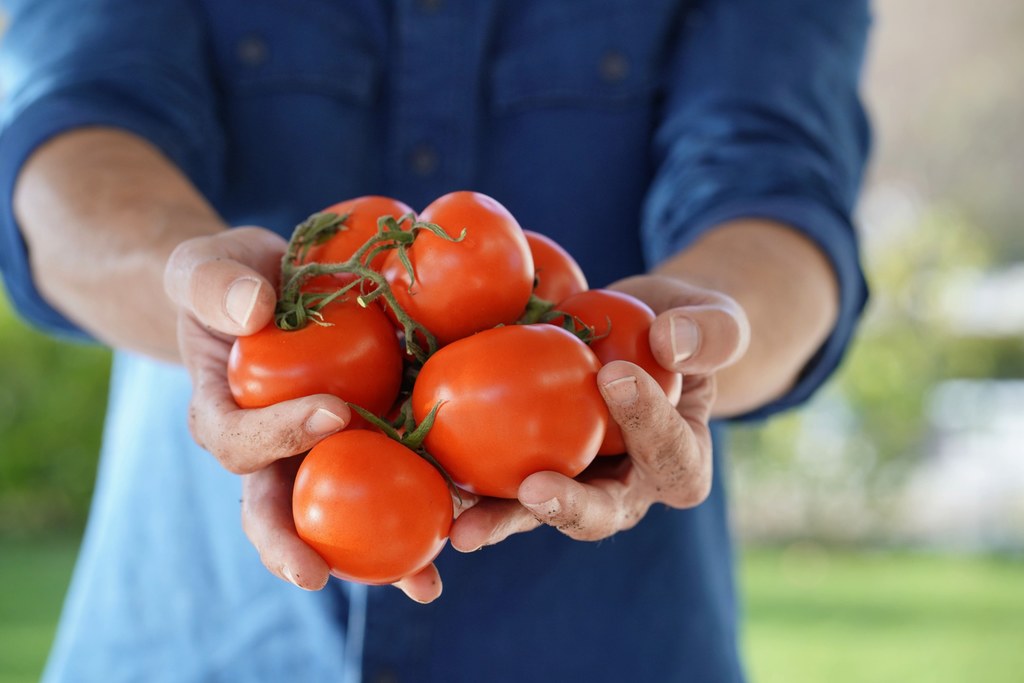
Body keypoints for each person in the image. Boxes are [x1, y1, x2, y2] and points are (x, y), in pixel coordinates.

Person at [0, 1, 870, 681]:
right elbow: (69, 131)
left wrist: (691, 337)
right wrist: (199, 292)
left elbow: (777, 183)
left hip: (603, 641)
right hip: (199, 636)